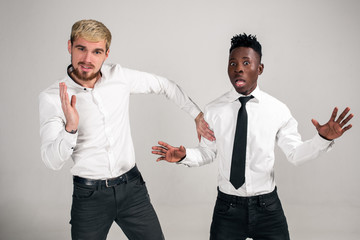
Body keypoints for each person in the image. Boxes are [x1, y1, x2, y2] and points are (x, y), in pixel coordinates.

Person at [151, 33, 353, 240]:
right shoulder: (213, 110)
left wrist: (323, 139)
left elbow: (295, 154)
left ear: (260, 68)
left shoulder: (278, 110)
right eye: (233, 63)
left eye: (246, 63)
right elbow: (208, 153)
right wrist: (185, 156)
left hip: (267, 209)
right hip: (227, 208)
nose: (238, 68)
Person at [38, 19, 214, 240]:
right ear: (69, 47)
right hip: (90, 197)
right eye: (81, 49)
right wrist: (70, 129)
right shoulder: (52, 97)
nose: (87, 59)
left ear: (107, 54)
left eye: (97, 51)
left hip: (132, 190)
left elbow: (165, 85)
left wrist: (197, 115)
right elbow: (51, 161)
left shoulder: (119, 77)